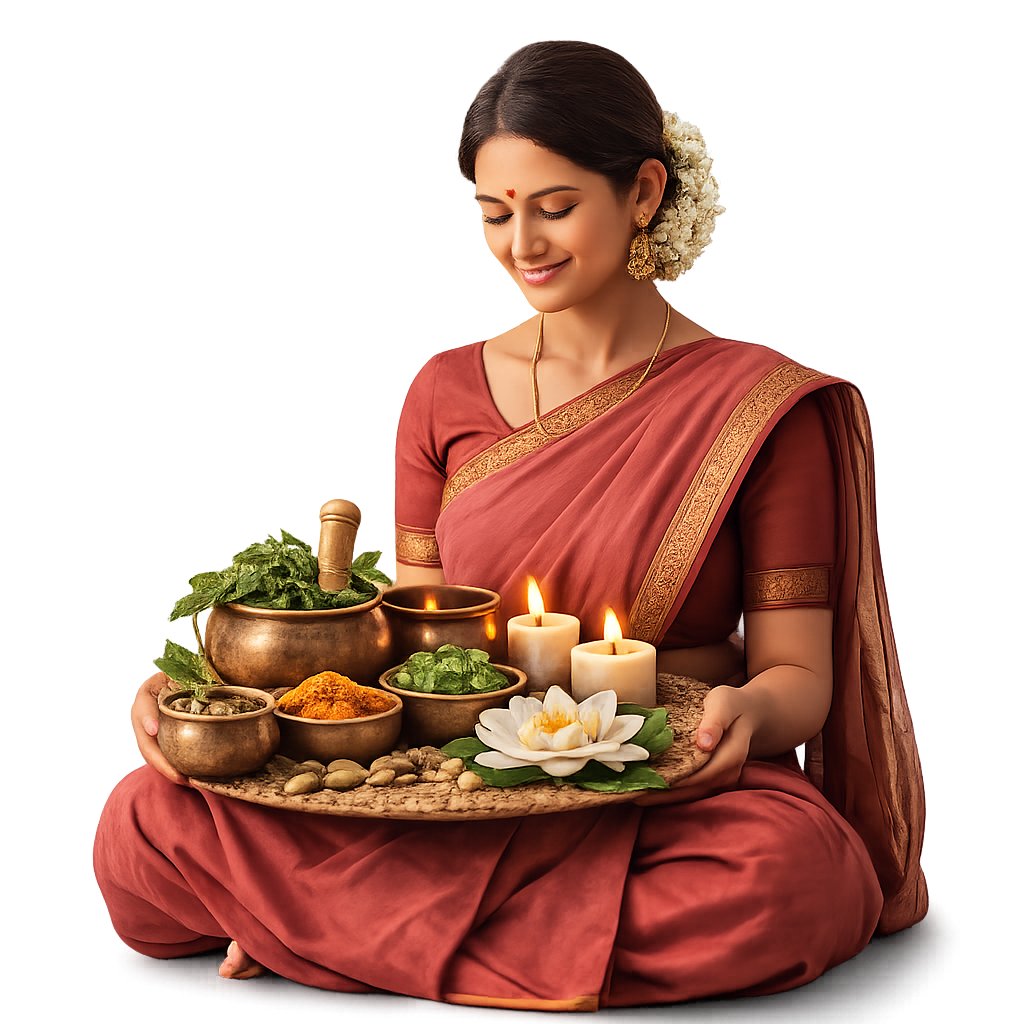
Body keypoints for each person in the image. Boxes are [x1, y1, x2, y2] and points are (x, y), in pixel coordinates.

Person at [96, 40, 925, 1010]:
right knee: (142, 823)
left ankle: (311, 930)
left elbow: (798, 676)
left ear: (644, 192)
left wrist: (750, 714)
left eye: (554, 207)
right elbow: (400, 647)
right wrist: (216, 700)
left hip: (651, 776)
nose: (521, 244)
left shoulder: (757, 406)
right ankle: (388, 932)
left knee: (793, 882)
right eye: (494, 214)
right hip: (457, 776)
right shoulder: (442, 390)